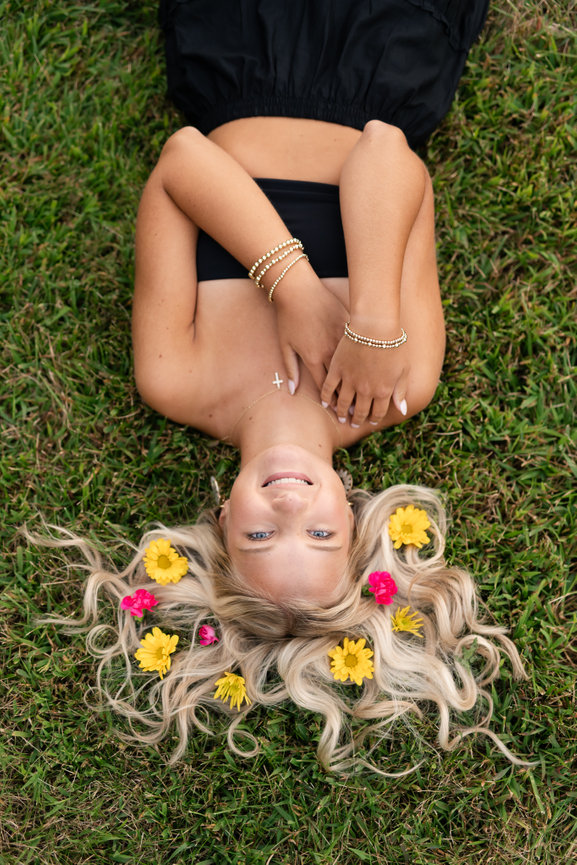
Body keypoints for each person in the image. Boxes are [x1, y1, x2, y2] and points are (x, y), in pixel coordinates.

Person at [34, 0, 529, 774]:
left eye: (260, 535)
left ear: (222, 517)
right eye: (321, 534)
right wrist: (366, 324)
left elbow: (183, 161)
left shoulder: (177, 381)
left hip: (238, 49)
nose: (289, 507)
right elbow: (386, 152)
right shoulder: (400, 385)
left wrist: (295, 290)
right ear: (354, 513)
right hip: (384, 57)